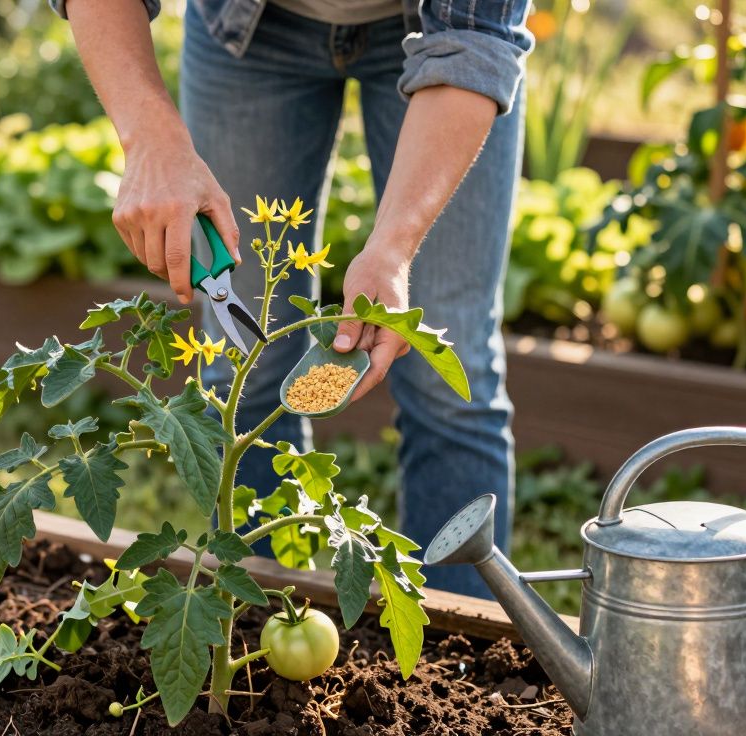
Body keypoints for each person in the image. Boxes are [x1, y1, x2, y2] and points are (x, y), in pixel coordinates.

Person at [53, 0, 531, 598]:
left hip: (440, 31)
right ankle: (260, 619)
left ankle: (462, 641)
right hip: (246, 29)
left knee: (449, 372)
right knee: (244, 375)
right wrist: (150, 140)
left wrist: (394, 247)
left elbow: (475, 42)